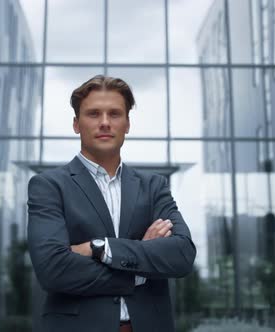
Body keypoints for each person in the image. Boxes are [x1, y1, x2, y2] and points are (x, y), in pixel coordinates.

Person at [27, 75, 196, 332]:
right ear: (76, 124)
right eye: (94, 114)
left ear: (127, 124)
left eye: (115, 114)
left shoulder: (153, 187)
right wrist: (141, 268)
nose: (105, 123)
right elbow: (53, 270)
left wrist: (101, 248)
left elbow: (181, 255)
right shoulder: (49, 186)